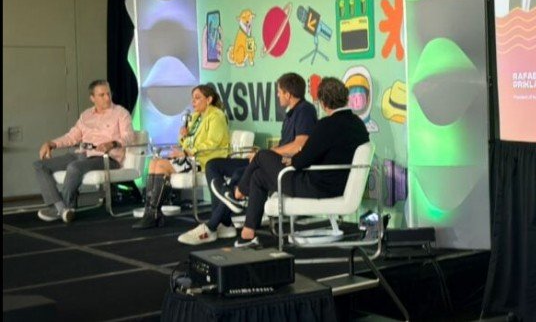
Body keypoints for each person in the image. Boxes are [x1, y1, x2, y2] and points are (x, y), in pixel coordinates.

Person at [177, 73, 317, 245]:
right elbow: (285, 145)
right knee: (213, 165)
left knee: (241, 174)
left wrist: (268, 154)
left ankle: (213, 224)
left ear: (288, 94)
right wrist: (265, 153)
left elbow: (300, 145)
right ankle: (225, 221)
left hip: (285, 166)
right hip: (272, 161)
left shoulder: (305, 110)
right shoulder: (290, 114)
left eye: (279, 92)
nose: (277, 95)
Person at [229, 77, 369, 248]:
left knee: (262, 155)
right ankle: (248, 233)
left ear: (323, 103)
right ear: (345, 98)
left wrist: (291, 160)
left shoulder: (326, 125)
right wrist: (295, 159)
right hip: (336, 184)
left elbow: (302, 161)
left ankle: (239, 192)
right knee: (259, 176)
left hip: (317, 186)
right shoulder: (358, 124)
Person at [33, 80, 133, 223]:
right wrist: (52, 143)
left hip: (106, 158)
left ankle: (63, 208)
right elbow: (72, 137)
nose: (107, 98)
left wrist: (112, 143)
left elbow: (129, 137)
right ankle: (61, 208)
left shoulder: (121, 113)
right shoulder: (86, 115)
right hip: (82, 154)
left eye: (108, 93)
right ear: (92, 98)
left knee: (74, 167)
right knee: (40, 165)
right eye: (102, 95)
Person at [132, 83, 229, 229]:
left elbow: (212, 144)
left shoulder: (217, 116)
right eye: (192, 98)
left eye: (197, 98)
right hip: (191, 157)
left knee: (162, 165)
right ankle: (151, 212)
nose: (193, 102)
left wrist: (185, 153)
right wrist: (183, 136)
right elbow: (187, 142)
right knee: (154, 162)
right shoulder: (195, 117)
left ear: (209, 100)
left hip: (205, 160)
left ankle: (153, 214)